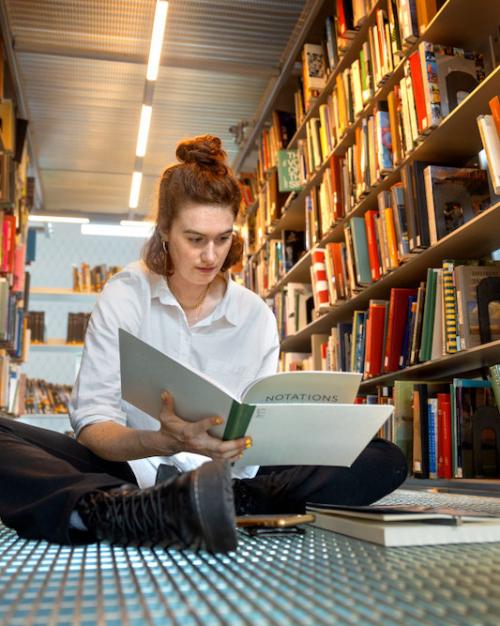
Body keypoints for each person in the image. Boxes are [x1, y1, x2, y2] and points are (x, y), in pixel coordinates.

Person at [0, 135, 407, 553]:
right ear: (164, 231)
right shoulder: (125, 294)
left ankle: (226, 502)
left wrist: (264, 439)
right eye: (195, 238)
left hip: (232, 475)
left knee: (382, 456)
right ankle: (119, 509)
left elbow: (259, 425)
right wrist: (163, 441)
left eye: (223, 238)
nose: (210, 256)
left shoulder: (255, 316)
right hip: (127, 475)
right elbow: (92, 426)